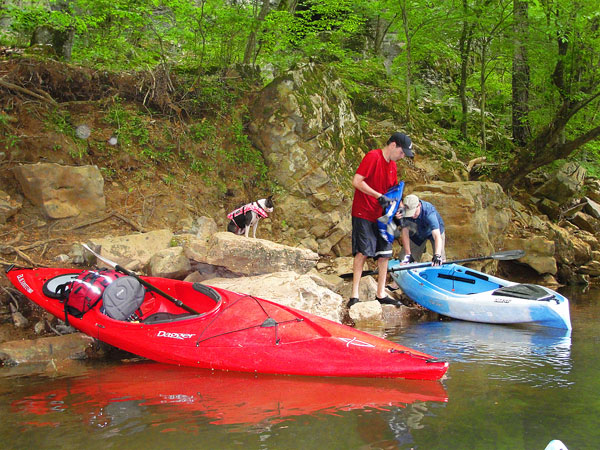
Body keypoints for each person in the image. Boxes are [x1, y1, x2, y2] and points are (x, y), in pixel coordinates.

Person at [348, 132, 414, 308]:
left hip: (384, 216)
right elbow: (357, 181)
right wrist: (378, 196)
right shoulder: (373, 157)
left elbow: (393, 191)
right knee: (363, 252)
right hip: (364, 213)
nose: (402, 157)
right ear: (393, 145)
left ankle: (380, 293)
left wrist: (398, 208)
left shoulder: (392, 166)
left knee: (385, 254)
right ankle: (354, 295)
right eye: (401, 152)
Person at [397, 194, 446, 266]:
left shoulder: (429, 212)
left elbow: (437, 235)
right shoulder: (404, 212)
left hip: (434, 232)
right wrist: (408, 254)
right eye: (410, 213)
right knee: (403, 259)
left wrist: (437, 255)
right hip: (417, 232)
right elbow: (405, 232)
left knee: (439, 260)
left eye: (414, 212)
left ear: (419, 205)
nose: (412, 215)